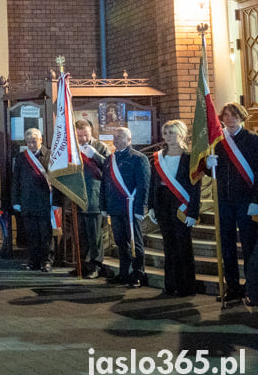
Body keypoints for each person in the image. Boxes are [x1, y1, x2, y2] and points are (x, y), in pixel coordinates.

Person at [207, 102, 258, 302]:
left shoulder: (253, 140)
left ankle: (252, 288)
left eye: (234, 115)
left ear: (242, 117)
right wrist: (206, 165)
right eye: (226, 115)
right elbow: (213, 172)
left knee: (248, 246)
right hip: (224, 201)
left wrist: (256, 199)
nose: (230, 119)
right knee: (226, 246)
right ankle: (233, 287)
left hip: (246, 201)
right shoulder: (218, 143)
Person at [147, 120, 200, 297]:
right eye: (166, 133)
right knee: (169, 245)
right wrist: (152, 206)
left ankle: (186, 286)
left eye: (172, 133)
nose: (169, 136)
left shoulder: (190, 157)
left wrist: (193, 212)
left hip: (181, 204)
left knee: (183, 245)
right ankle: (170, 284)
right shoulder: (158, 157)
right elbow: (153, 184)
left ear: (182, 134)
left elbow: (195, 187)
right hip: (163, 202)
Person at [100, 127, 151, 288]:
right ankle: (124, 273)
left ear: (129, 140)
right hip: (115, 207)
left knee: (135, 242)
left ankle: (138, 274)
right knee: (120, 242)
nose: (117, 140)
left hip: (131, 208)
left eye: (121, 137)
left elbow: (143, 186)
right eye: (115, 137)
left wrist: (140, 209)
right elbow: (104, 184)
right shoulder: (110, 159)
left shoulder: (139, 158)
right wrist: (103, 205)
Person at [13, 128, 55, 272]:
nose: (31, 145)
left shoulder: (49, 155)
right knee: (31, 235)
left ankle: (47, 261)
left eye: (34, 141)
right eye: (29, 142)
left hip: (44, 202)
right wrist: (16, 201)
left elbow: (56, 179)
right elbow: (16, 181)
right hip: (27, 201)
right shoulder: (21, 158)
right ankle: (33, 261)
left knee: (45, 235)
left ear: (41, 140)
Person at [75, 120, 112, 279]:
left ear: (91, 132)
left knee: (95, 237)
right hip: (78, 197)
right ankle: (82, 266)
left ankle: (96, 266)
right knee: (81, 236)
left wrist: (95, 156)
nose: (82, 139)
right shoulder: (73, 147)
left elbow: (110, 169)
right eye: (79, 136)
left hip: (95, 197)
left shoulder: (101, 147)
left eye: (86, 135)